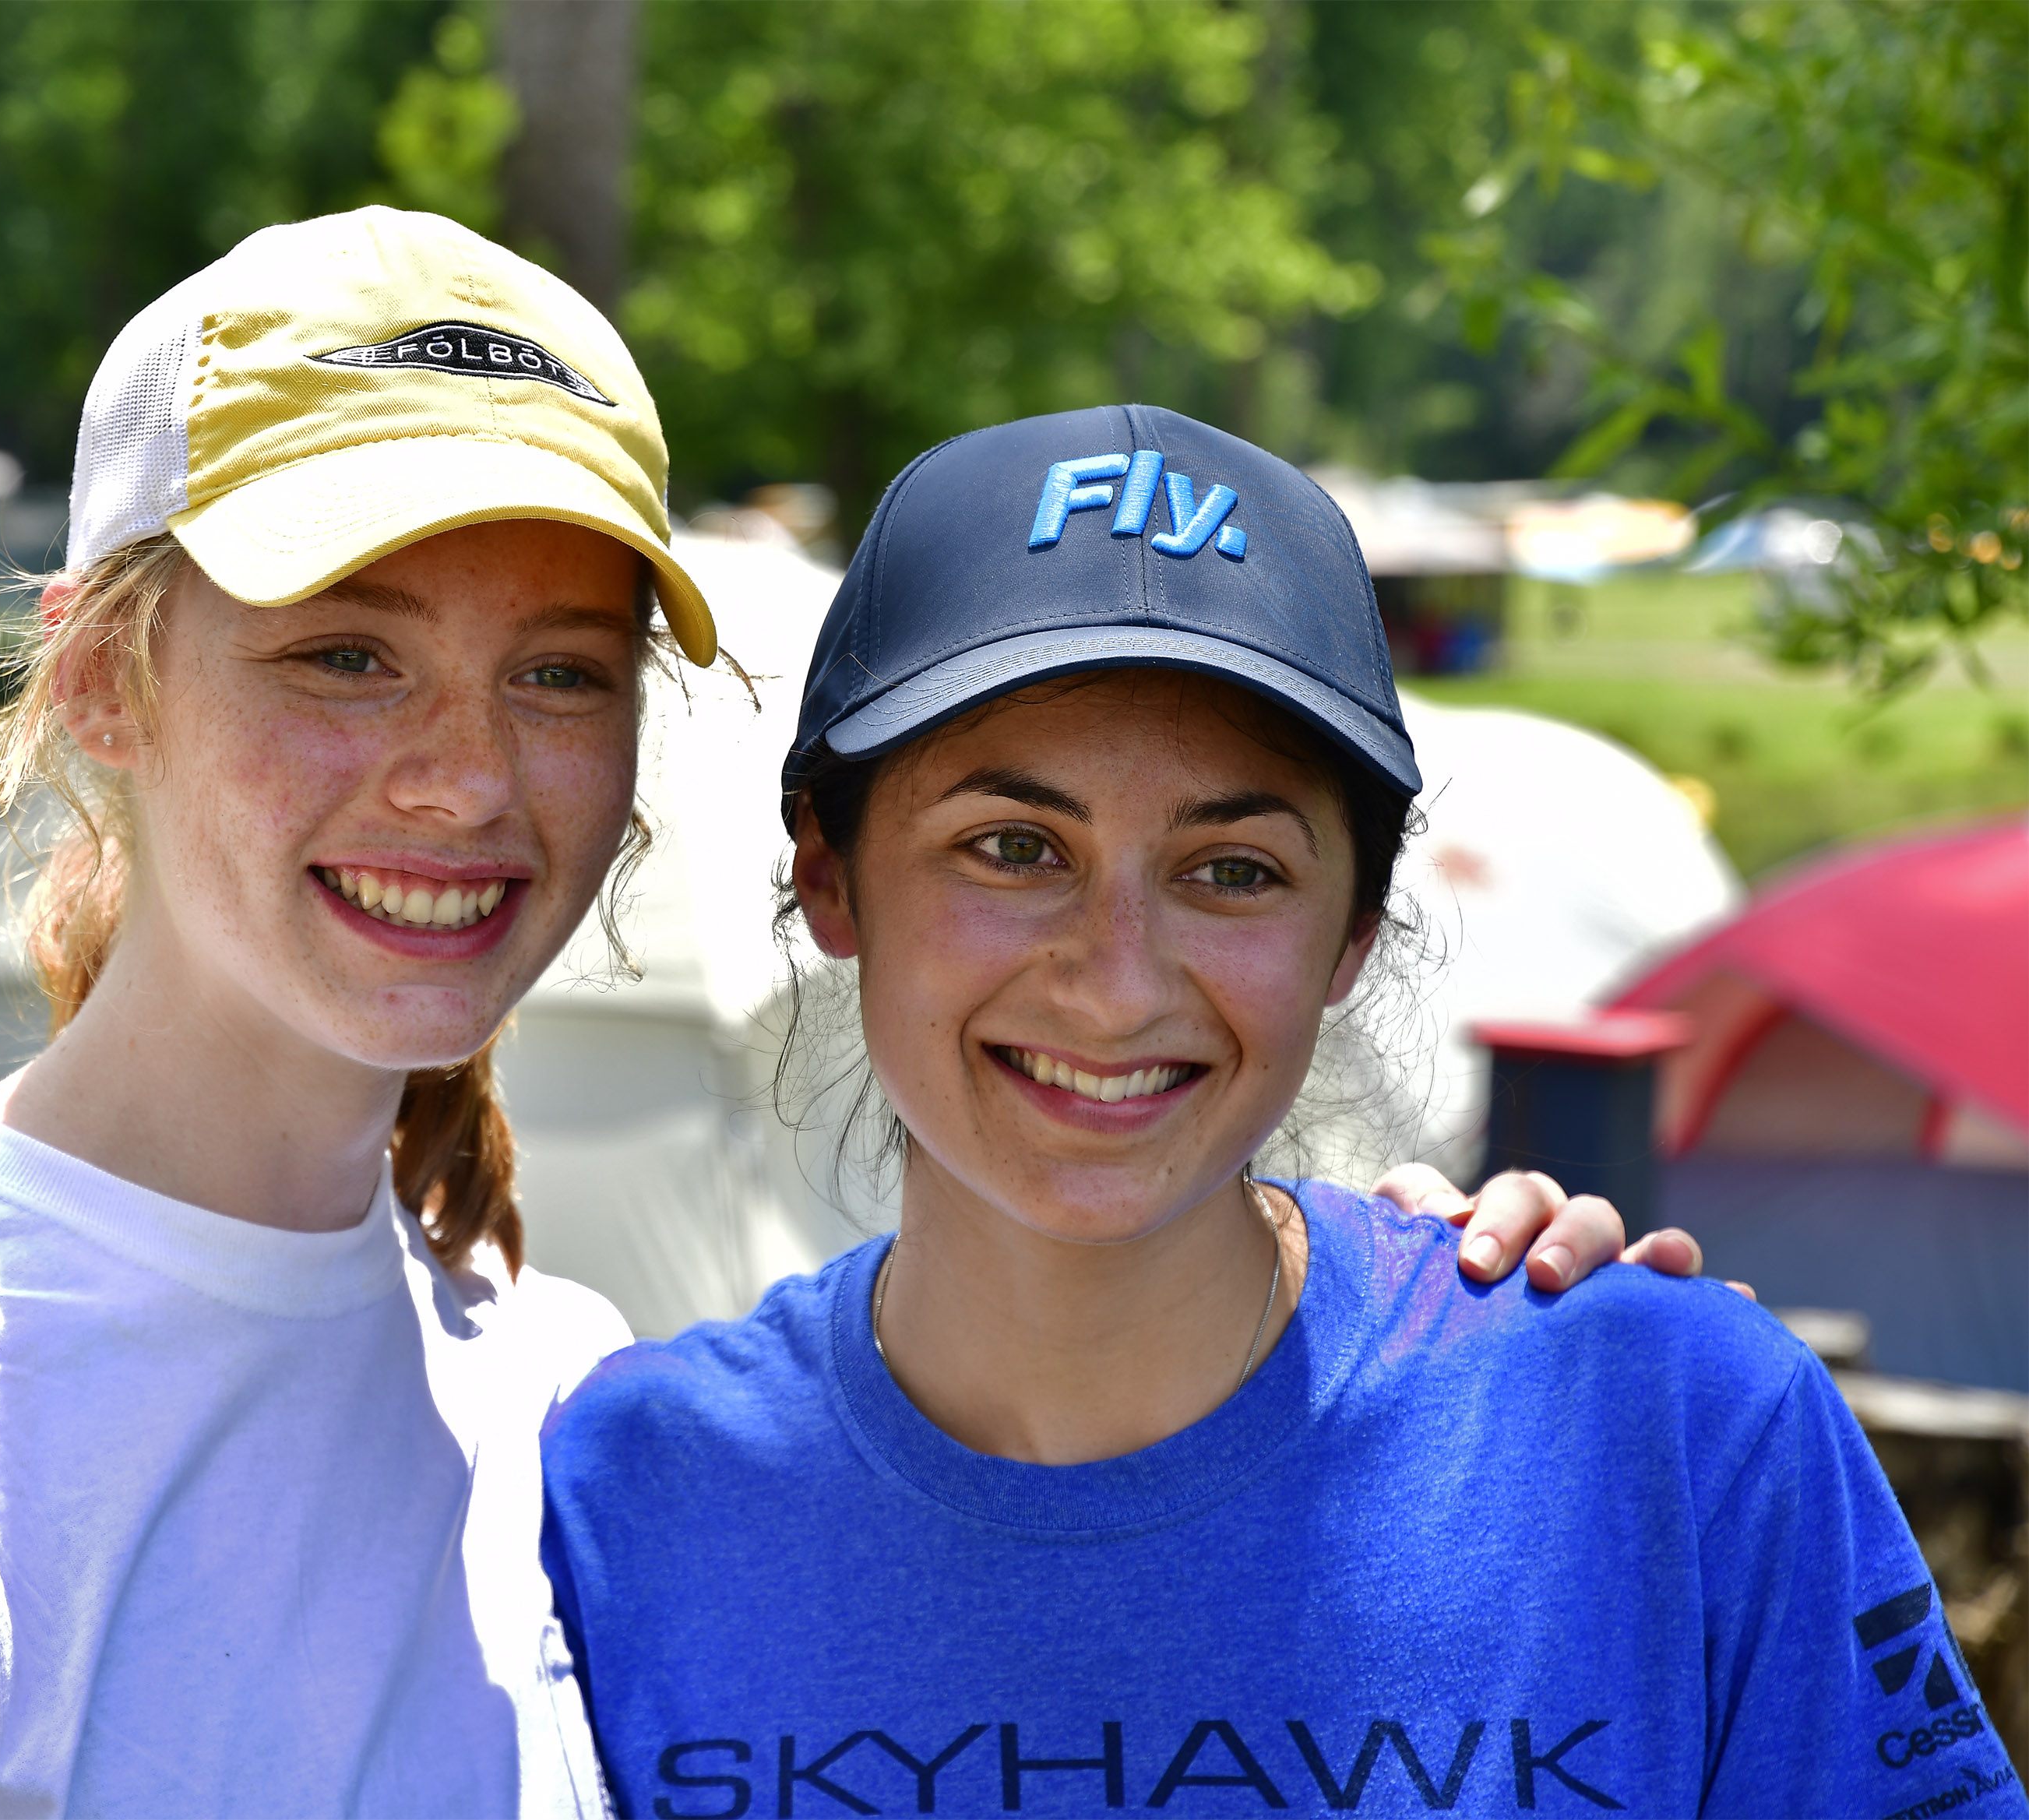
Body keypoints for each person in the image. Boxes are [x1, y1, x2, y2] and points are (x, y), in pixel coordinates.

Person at [0, 218, 1689, 1818]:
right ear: (102, 675)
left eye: (561, 675)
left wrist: (1400, 1323)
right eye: (346, 653)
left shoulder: (568, 1410)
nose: (468, 778)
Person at [541, 407, 2025, 1820]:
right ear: (830, 872)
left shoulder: (1671, 1430)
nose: (1117, 985)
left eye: (1232, 870)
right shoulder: (624, 1499)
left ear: (1357, 928)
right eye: (1012, 846)